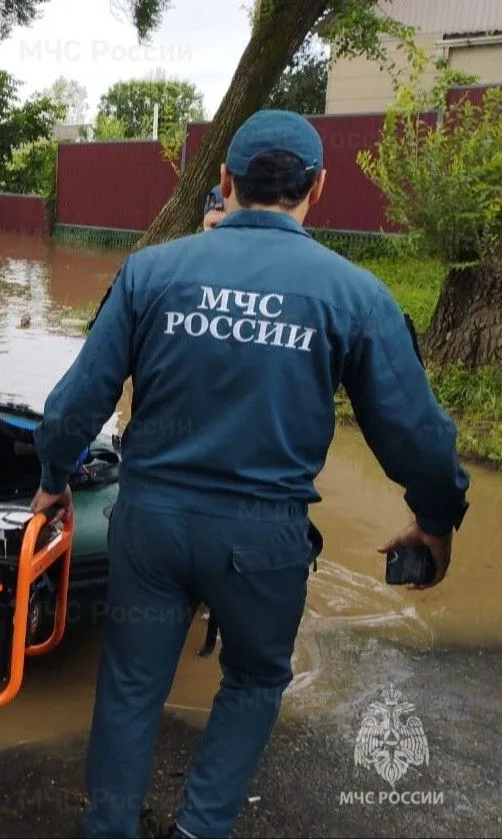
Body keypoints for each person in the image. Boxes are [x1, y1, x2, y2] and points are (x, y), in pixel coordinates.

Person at [29, 109, 470, 838]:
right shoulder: (355, 294)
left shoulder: (150, 272)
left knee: (133, 685)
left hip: (152, 524)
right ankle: (201, 827)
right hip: (264, 540)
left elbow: (76, 402)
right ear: (318, 189)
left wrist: (52, 472)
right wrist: (436, 516)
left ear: (225, 183)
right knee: (257, 678)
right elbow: (418, 437)